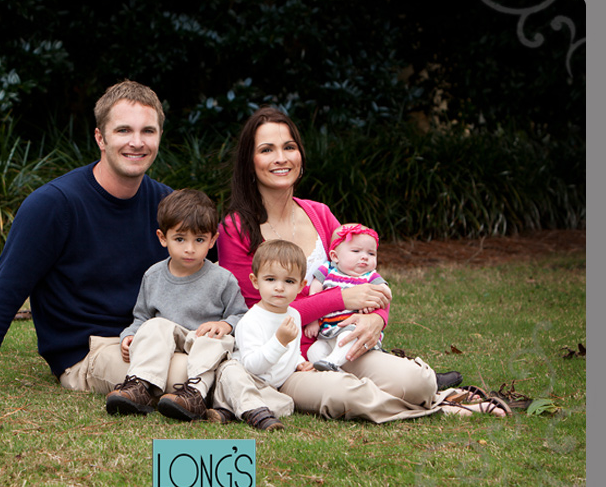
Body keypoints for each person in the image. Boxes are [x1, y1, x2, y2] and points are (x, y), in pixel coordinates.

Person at [216, 106, 511, 421]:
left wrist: (377, 319)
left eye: (289, 147)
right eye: (266, 150)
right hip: (287, 361)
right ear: (250, 162)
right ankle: (446, 408)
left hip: (341, 342)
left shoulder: (319, 214)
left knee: (417, 381)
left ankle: (427, 393)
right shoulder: (236, 229)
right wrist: (341, 298)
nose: (281, 158)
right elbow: (258, 312)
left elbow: (367, 277)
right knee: (347, 395)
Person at [0, 80, 189, 401]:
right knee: (188, 375)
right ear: (100, 138)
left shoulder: (167, 205)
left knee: (222, 360)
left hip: (154, 336)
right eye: (123, 130)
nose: (137, 142)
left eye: (148, 131)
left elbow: (208, 269)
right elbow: (4, 294)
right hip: (91, 351)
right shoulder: (54, 205)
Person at [105, 189, 247, 421]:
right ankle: (139, 387)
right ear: (163, 238)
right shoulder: (153, 276)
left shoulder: (223, 279)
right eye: (180, 239)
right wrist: (129, 335)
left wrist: (225, 325)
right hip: (168, 344)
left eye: (199, 240)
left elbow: (241, 316)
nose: (190, 249)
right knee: (156, 324)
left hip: (202, 343)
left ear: (212, 240)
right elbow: (142, 317)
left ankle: (195, 395)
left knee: (216, 340)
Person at [206, 240, 309, 431]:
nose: (279, 287)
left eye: (289, 281)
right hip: (248, 379)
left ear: (301, 285)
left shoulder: (294, 315)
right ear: (255, 281)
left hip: (272, 388)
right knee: (231, 371)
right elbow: (252, 366)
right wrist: (279, 341)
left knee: (286, 403)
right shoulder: (251, 320)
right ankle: (257, 413)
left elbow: (292, 349)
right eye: (270, 279)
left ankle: (232, 411)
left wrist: (299, 362)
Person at [304, 223, 388, 372]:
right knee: (314, 351)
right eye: (356, 251)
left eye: (371, 253)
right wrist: (313, 320)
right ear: (335, 256)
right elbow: (314, 292)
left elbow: (386, 292)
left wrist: (374, 302)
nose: (364, 257)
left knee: (348, 335)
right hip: (328, 332)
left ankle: (333, 361)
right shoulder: (328, 270)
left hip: (354, 330)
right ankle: (338, 372)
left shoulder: (370, 276)